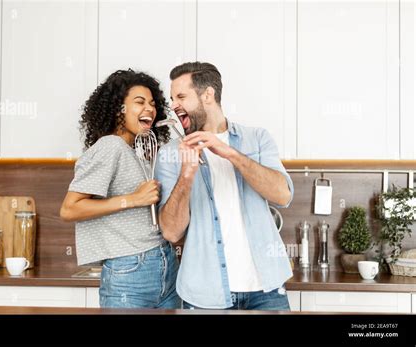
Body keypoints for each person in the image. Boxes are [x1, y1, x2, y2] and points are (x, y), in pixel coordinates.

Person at [155, 62, 294, 310]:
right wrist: (187, 174)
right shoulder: (170, 153)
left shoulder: (257, 138)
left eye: (181, 96)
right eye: (172, 98)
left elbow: (282, 195)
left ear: (208, 94)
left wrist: (230, 154)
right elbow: (171, 232)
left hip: (267, 290)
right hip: (204, 294)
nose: (174, 105)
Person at [60, 69, 180, 309]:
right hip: (130, 270)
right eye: (139, 102)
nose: (150, 108)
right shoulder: (110, 146)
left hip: (165, 264)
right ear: (118, 109)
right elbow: (69, 209)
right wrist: (133, 199)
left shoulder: (137, 152)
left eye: (153, 103)